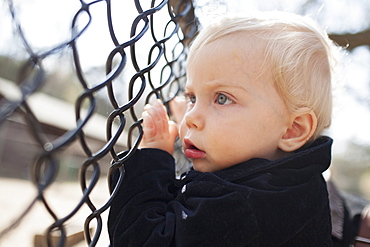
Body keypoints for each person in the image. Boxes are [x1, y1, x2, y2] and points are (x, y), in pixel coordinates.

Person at [108, 11, 341, 246]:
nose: (191, 118)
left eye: (221, 98)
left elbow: (140, 239)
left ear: (293, 130)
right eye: (192, 97)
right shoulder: (288, 188)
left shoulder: (246, 206)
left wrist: (151, 162)